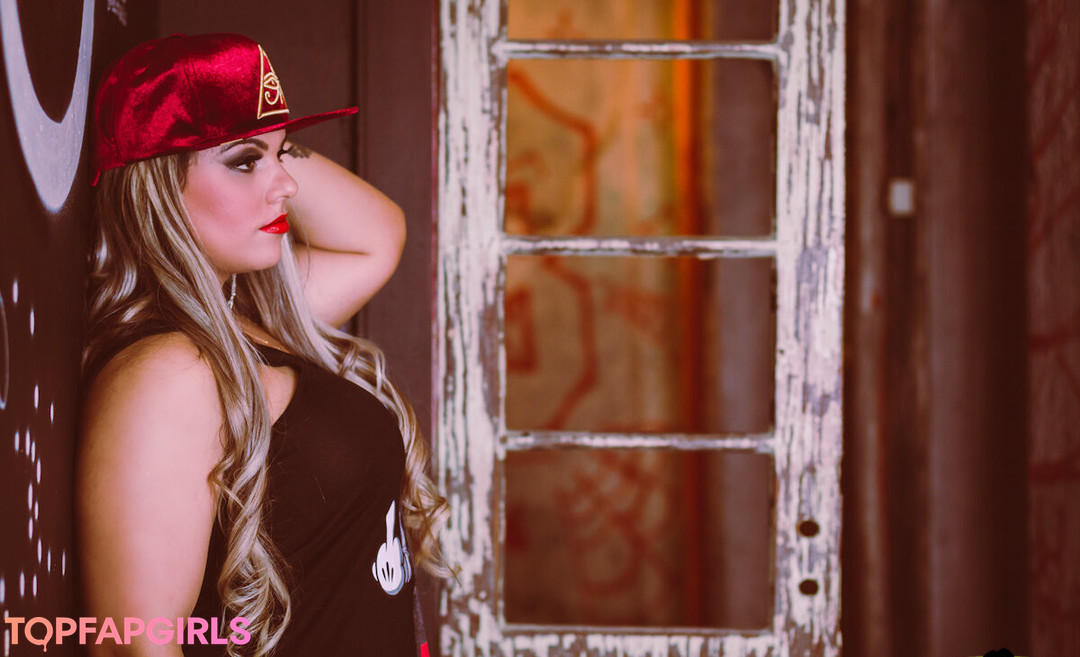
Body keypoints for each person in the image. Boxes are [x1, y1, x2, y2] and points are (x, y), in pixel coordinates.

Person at [76, 33, 446, 657]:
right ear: (158, 184)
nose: (287, 185)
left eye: (284, 154)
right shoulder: (166, 374)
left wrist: (258, 128)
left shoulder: (246, 323)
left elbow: (377, 236)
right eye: (246, 162)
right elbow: (132, 647)